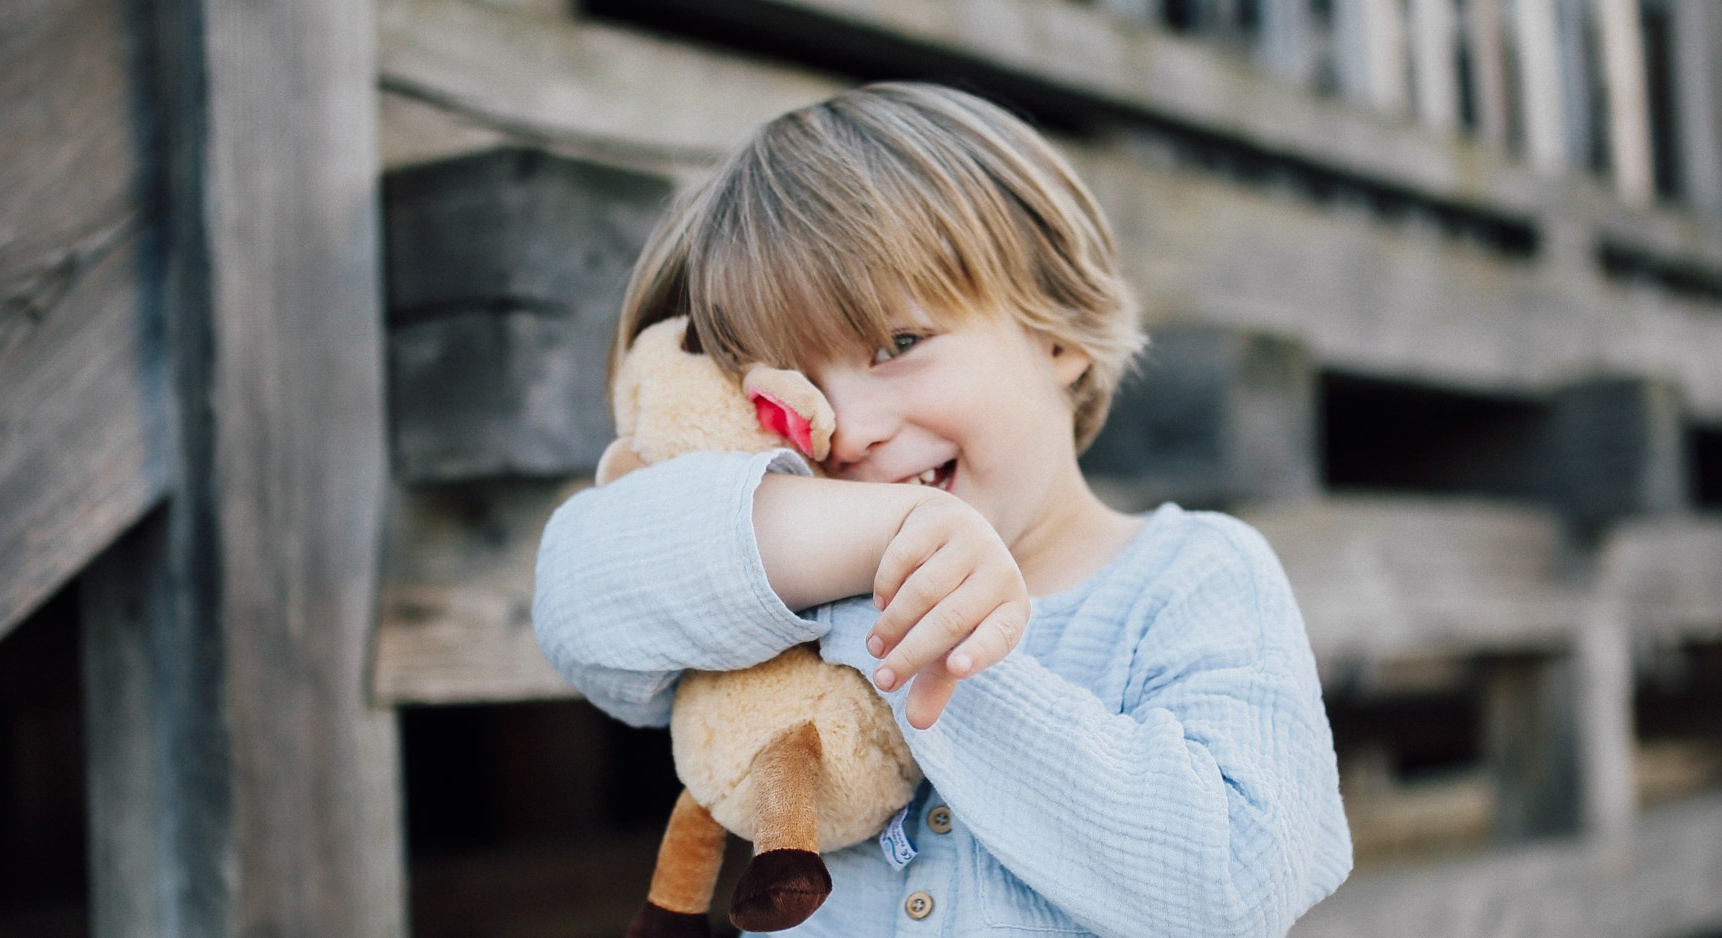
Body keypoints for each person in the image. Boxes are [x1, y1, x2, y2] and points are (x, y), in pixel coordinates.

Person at [534, 81, 1351, 937]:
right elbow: (575, 594)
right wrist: (864, 545)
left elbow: (1235, 885)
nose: (848, 430)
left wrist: (932, 647)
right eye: (794, 390)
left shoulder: (1196, 576)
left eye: (899, 346)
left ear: (1058, 331)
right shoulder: (781, 587)